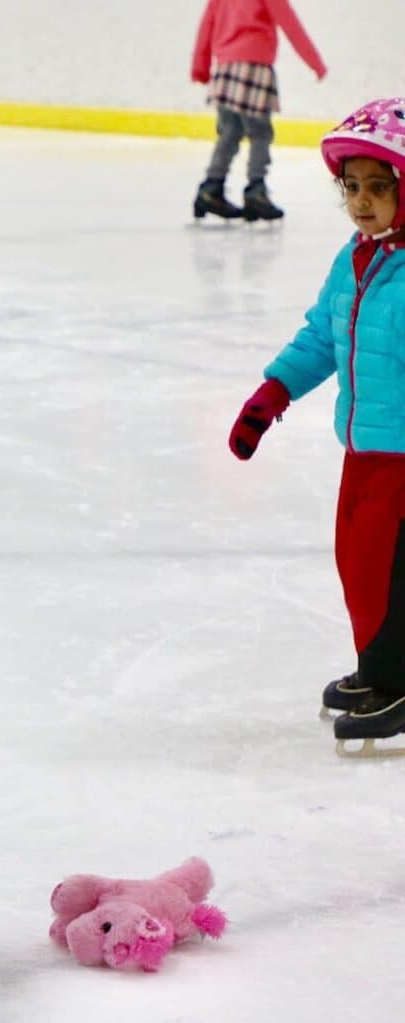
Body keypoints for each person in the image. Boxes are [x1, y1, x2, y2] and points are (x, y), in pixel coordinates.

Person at [229, 98, 405, 757]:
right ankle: (381, 668)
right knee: (358, 565)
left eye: (378, 188)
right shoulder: (357, 259)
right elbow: (321, 338)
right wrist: (270, 395)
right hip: (363, 451)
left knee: (392, 572)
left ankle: (398, 682)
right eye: (351, 188)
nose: (361, 203)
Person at [189, 0, 326, 222]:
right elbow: (291, 25)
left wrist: (200, 67)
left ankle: (211, 187)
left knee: (229, 132)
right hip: (254, 66)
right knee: (260, 133)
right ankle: (256, 188)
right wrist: (315, 63)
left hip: (226, 68)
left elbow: (206, 27)